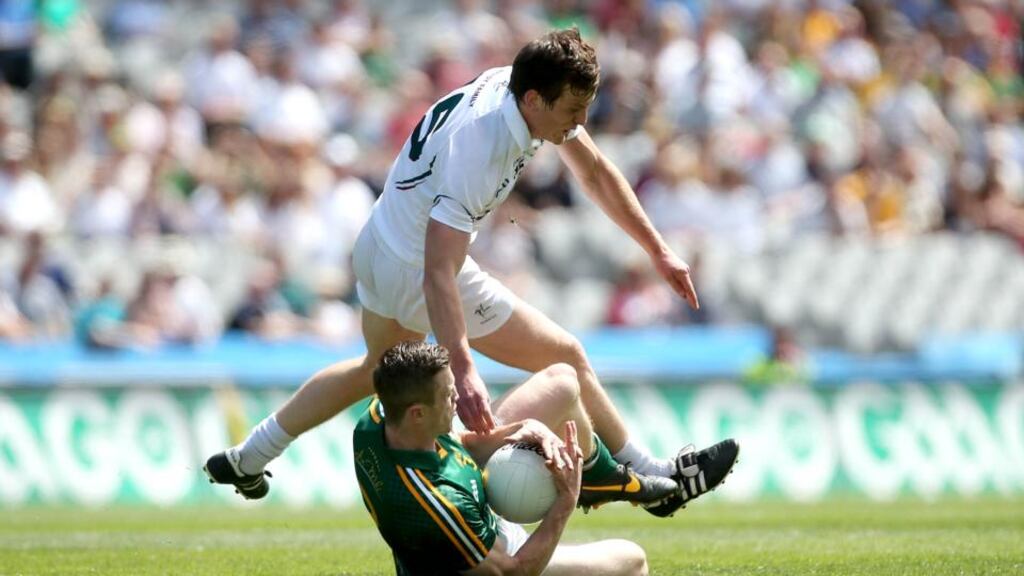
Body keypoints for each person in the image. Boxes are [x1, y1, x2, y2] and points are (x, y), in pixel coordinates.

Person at [205, 28, 738, 518]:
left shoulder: (522, 85)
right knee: (564, 356)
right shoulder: (484, 148)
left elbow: (594, 171)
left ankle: (249, 454)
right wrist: (464, 370)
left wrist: (658, 250)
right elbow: (439, 270)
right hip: (418, 264)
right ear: (535, 100)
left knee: (375, 370)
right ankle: (649, 476)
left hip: (382, 240)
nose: (579, 124)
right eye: (573, 111)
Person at [352, 341, 692, 575]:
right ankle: (585, 483)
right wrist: (565, 500)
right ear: (417, 414)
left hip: (466, 515)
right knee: (633, 561)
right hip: (495, 552)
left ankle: (598, 477)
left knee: (561, 381)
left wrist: (523, 428)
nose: (457, 397)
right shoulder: (441, 505)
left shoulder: (379, 418)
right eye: (447, 395)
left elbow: (453, 441)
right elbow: (514, 571)